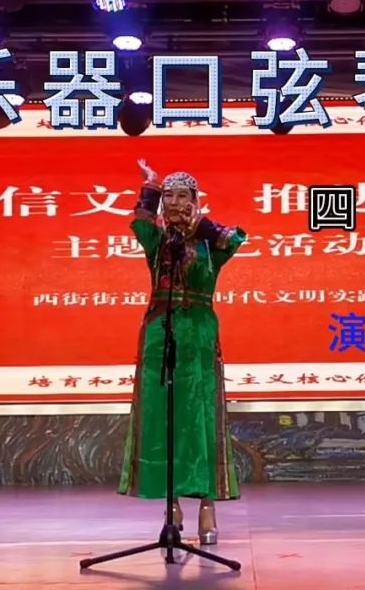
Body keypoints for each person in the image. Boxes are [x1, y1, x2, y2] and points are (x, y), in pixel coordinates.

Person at [117, 159, 246, 545]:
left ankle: (207, 504)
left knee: (199, 416)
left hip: (199, 334)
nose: (174, 203)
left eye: (182, 196)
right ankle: (170, 504)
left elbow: (233, 239)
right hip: (161, 331)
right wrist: (150, 187)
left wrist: (197, 225)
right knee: (163, 416)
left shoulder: (211, 243)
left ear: (195, 199)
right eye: (168, 196)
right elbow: (141, 223)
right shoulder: (158, 242)